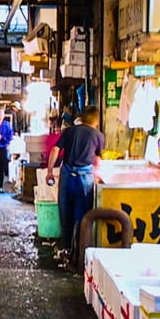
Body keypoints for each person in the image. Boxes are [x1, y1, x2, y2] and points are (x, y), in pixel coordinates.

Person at [46, 104, 104, 265]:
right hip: (84, 180)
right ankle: (80, 256)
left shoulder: (69, 131)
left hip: (67, 177)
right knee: (83, 217)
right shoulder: (98, 136)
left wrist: (50, 171)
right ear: (96, 120)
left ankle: (66, 251)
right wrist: (98, 178)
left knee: (66, 215)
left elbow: (55, 151)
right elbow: (98, 161)